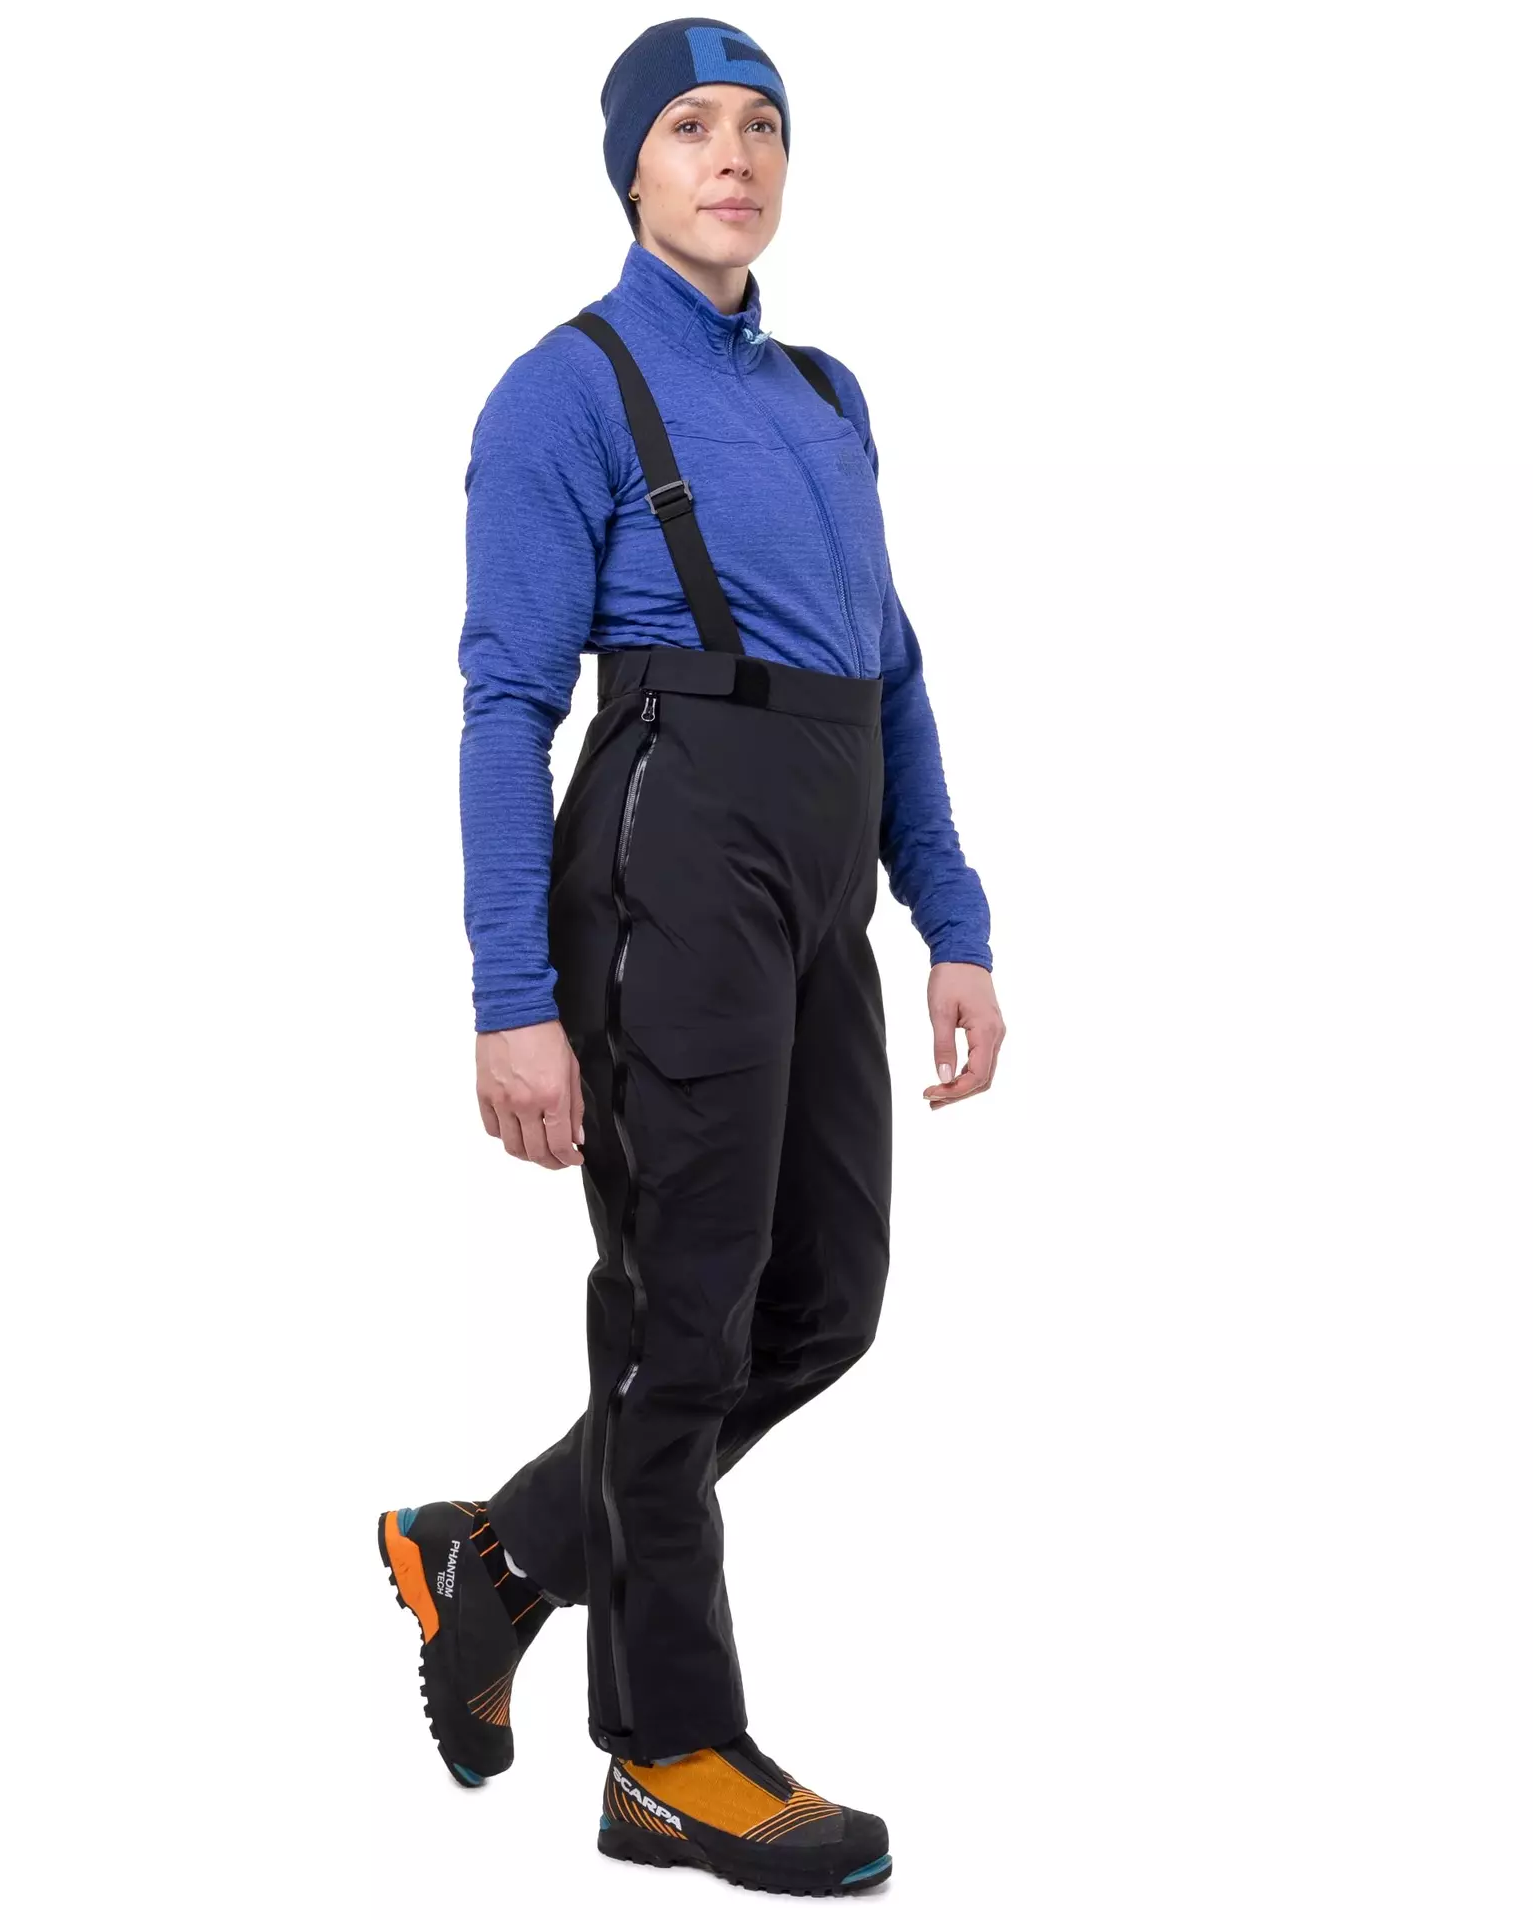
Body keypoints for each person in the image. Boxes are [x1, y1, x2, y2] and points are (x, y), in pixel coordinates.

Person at [378, 17, 1004, 1897]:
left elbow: (888, 668)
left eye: (763, 128)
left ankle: (501, 1552)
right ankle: (665, 1756)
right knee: (679, 1318)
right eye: (689, 128)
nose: (734, 157)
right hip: (671, 852)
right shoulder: (561, 391)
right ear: (630, 170)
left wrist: (951, 919)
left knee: (823, 1303)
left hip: (816, 864)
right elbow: (505, 704)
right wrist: (511, 996)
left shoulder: (825, 393)